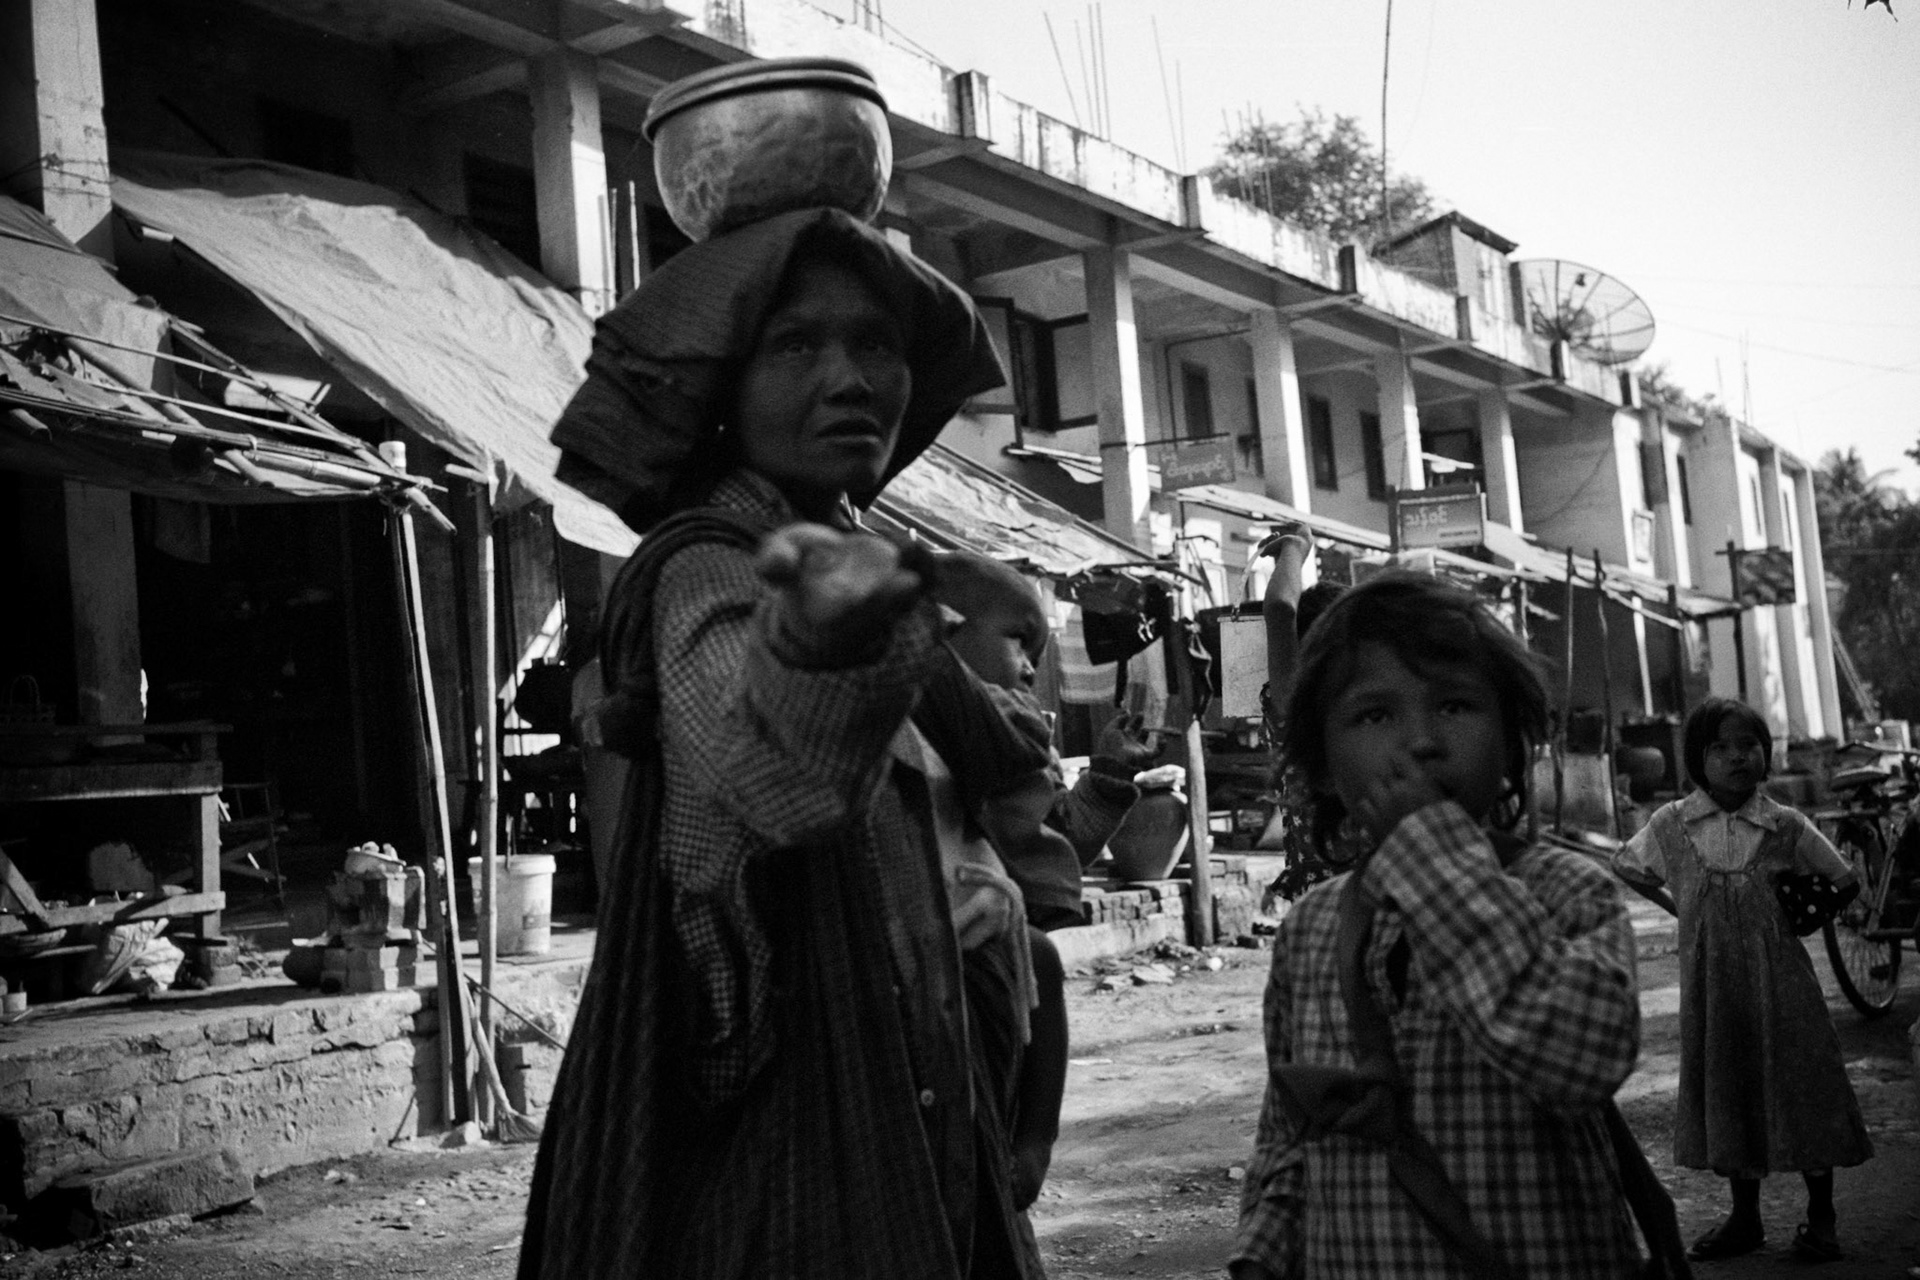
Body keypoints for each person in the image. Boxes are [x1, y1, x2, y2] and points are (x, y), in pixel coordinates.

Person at [518, 207, 1045, 1279]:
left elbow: (1002, 768)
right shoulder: (707, 567)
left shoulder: (863, 557)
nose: (853, 378)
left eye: (878, 343)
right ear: (724, 382)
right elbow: (760, 766)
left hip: (912, 1095)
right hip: (790, 1144)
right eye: (798, 342)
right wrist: (811, 643)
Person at [1232, 571, 1646, 1279]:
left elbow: (1584, 1063)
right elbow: (1290, 1136)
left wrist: (1431, 859)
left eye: (1455, 705)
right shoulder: (1310, 931)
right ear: (1325, 768)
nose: (1421, 741)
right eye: (1374, 715)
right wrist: (1261, 1256)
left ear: (1514, 744)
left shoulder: (1569, 893)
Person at [931, 550, 1161, 1210]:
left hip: (985, 939)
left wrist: (1112, 775)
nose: (1032, 666)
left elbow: (1049, 844)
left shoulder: (1006, 730)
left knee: (1039, 957)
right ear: (944, 628)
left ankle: (1034, 1139)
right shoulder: (906, 709)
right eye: (1016, 641)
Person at [1614, 696, 1872, 1264]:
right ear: (1695, 759)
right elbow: (1627, 866)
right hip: (1714, 991)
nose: (1737, 757)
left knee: (1803, 1088)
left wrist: (1801, 916)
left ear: (1766, 754)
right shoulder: (1670, 824)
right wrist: (1683, 906)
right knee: (1730, 1090)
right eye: (1720, 748)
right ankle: (1745, 1217)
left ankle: (1822, 1216)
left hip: (1785, 987)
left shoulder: (1786, 824)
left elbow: (1843, 877)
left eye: (1748, 745)